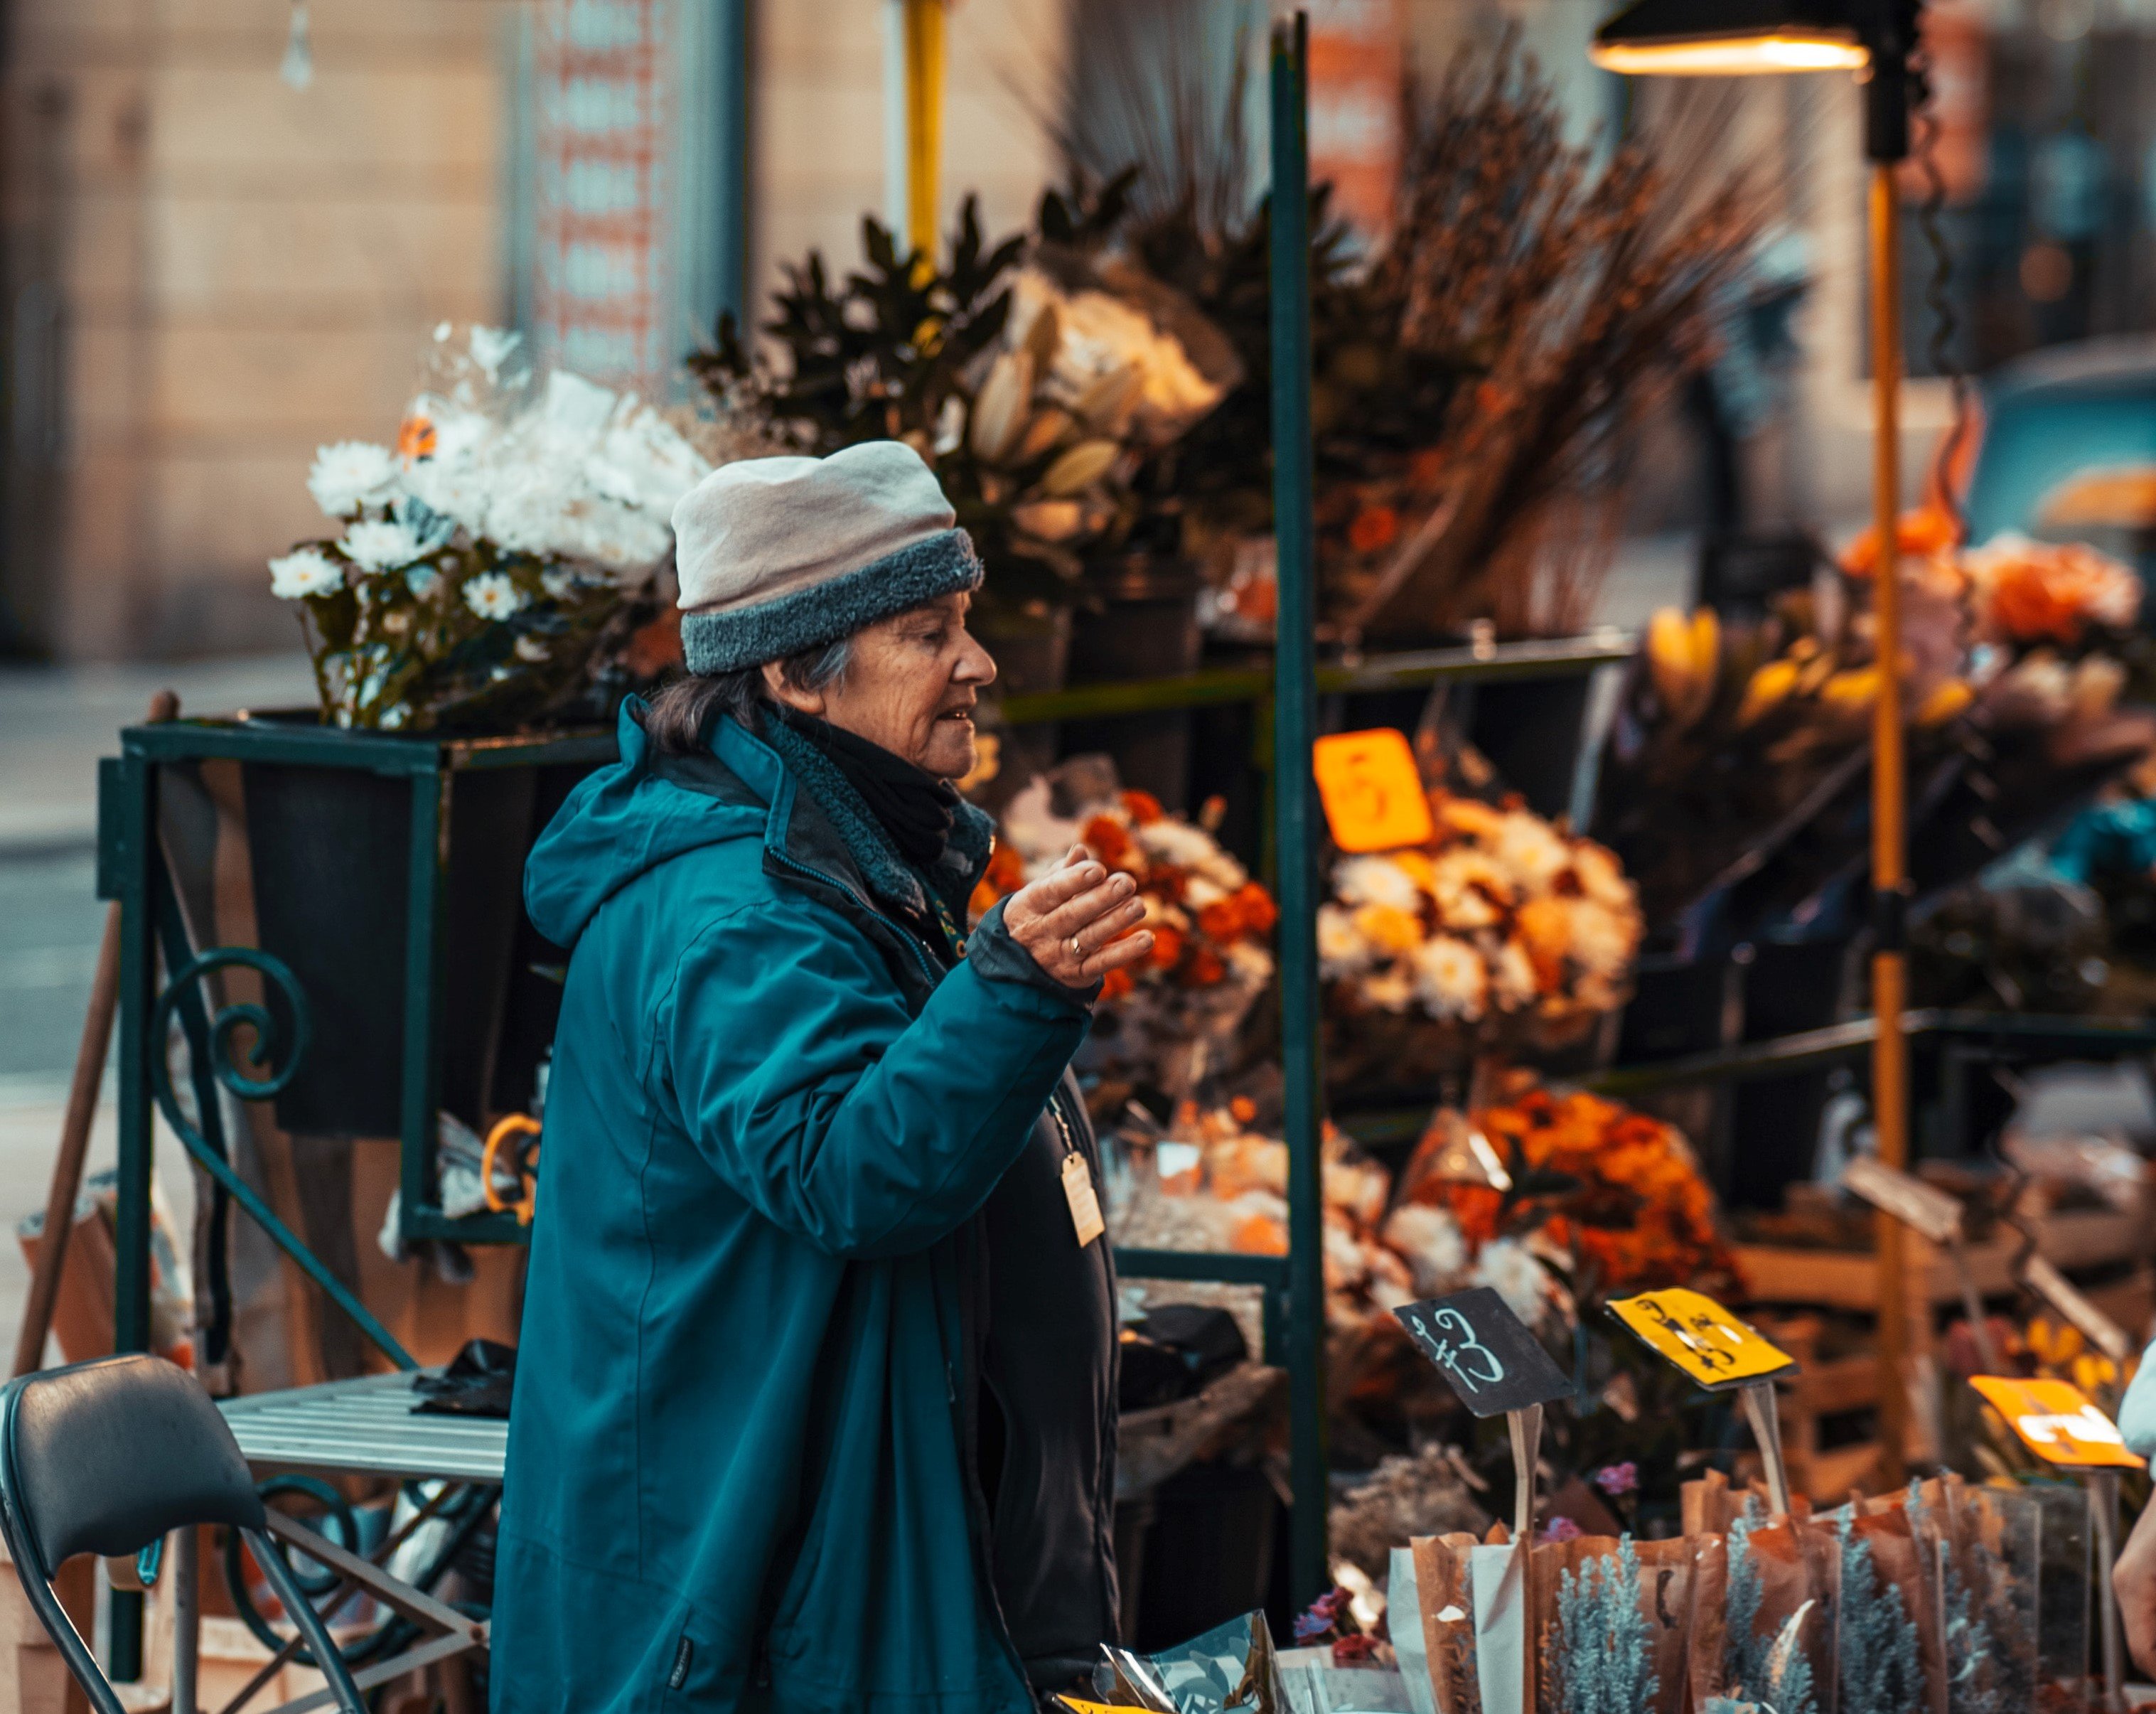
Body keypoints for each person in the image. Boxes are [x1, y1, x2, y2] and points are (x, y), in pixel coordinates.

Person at [492, 441, 1150, 1713]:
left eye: (964, 622)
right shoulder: (736, 916)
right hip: (756, 1609)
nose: (978, 663)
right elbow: (848, 1177)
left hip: (842, 1570)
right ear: (797, 675)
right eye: (927, 633)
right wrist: (1014, 985)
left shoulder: (851, 862)